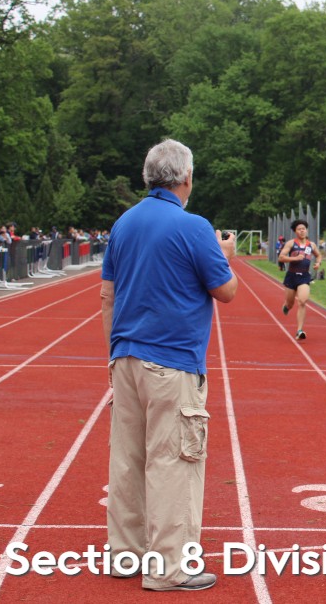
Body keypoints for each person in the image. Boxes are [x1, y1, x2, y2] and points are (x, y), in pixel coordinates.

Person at [101, 139, 237, 591]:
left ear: (148, 177)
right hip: (172, 362)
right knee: (174, 463)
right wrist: (225, 255)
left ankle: (125, 555)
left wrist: (113, 354)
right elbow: (226, 290)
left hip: (125, 358)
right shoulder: (194, 227)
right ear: (186, 178)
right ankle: (170, 568)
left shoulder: (124, 223)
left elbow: (107, 295)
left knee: (128, 461)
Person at [278, 219, 322, 339]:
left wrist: (318, 263)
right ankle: (287, 306)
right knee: (290, 303)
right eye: (299, 229)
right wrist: (295, 259)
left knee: (302, 301)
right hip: (292, 276)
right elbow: (281, 258)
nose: (302, 231)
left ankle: (299, 331)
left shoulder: (311, 245)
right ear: (295, 231)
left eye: (304, 229)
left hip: (304, 277)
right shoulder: (291, 243)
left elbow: (318, 255)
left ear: (306, 230)